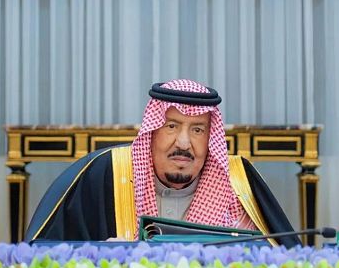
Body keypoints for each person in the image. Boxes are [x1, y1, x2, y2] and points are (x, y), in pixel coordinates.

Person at [26, 79, 297, 246]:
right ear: (152, 132)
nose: (183, 143)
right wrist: (102, 254)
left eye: (198, 130)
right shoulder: (103, 174)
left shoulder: (238, 183)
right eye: (171, 126)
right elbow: (44, 254)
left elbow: (281, 263)